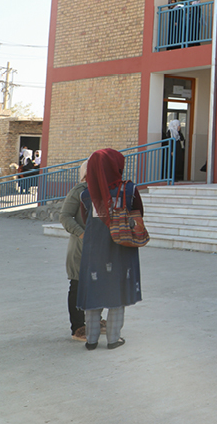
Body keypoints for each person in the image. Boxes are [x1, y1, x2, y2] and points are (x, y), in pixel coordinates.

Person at [76, 149, 142, 350]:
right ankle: (113, 339)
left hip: (94, 249)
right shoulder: (129, 190)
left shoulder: (86, 194)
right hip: (120, 247)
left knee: (94, 289)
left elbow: (86, 221)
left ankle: (92, 340)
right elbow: (139, 215)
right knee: (117, 289)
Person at [59, 160, 89, 341]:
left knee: (94, 285)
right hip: (80, 247)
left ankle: (93, 320)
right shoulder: (78, 191)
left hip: (97, 247)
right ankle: (78, 327)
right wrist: (81, 234)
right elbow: (64, 216)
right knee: (78, 285)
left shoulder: (102, 191)